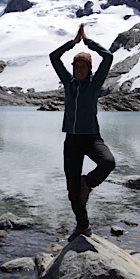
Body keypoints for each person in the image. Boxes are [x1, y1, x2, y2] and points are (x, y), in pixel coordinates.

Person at [49, 24, 116, 242]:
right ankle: (83, 226)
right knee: (72, 190)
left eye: (83, 67)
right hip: (72, 140)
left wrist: (87, 43)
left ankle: (88, 183)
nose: (79, 70)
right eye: (76, 66)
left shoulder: (94, 85)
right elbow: (53, 57)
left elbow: (108, 57)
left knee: (108, 162)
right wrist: (72, 43)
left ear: (89, 70)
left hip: (91, 138)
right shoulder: (69, 84)